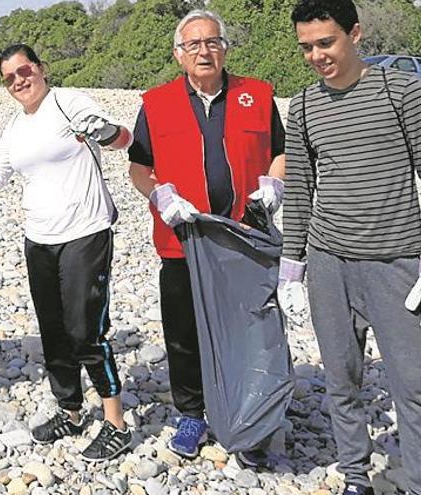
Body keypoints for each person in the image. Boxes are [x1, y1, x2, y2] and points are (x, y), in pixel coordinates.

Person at [280, 2, 421, 494]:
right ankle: (355, 476)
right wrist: (291, 267)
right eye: (306, 47)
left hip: (396, 266)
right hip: (328, 263)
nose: (316, 55)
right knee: (341, 381)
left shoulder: (401, 90)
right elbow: (300, 192)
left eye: (326, 42)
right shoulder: (304, 106)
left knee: (414, 387)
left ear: (354, 34)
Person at [0, 43, 134, 462]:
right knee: (53, 330)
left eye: (24, 70)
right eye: (9, 78)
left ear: (40, 68)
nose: (19, 81)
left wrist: (106, 132)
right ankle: (70, 410)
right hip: (39, 239)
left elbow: (122, 138)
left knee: (85, 328)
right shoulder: (16, 127)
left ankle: (115, 423)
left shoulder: (68, 102)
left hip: (86, 232)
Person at [127, 9, 286, 464]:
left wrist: (275, 184)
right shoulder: (156, 103)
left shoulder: (256, 95)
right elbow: (139, 167)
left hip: (243, 237)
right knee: (183, 331)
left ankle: (249, 416)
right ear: (179, 55)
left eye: (212, 42)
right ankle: (192, 412)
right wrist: (160, 194)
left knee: (249, 329)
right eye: (193, 44)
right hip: (184, 240)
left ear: (225, 48)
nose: (204, 50)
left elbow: (281, 152)